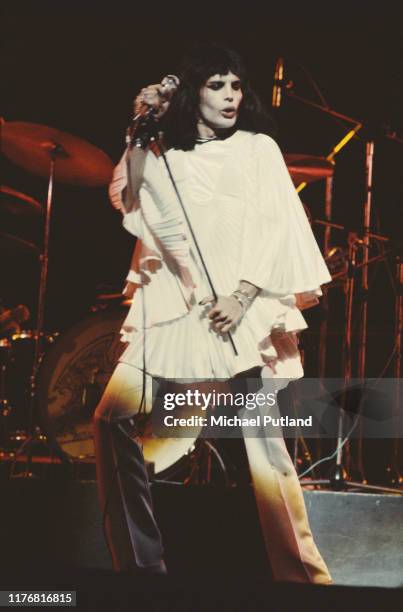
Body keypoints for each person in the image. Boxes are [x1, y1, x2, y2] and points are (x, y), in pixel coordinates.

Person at [93, 44, 333, 583]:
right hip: (177, 316)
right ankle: (139, 567)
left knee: (264, 448)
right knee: (111, 420)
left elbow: (278, 227)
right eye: (216, 85)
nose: (230, 96)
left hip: (239, 316)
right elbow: (127, 196)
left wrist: (243, 295)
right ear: (192, 92)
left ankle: (305, 579)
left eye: (236, 86)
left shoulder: (256, 148)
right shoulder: (164, 156)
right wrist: (138, 129)